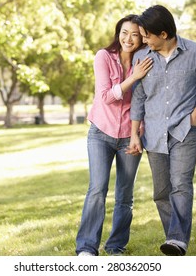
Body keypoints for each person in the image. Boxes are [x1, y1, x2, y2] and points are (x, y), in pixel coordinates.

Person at [127, 5, 196, 256]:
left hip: (183, 132)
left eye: (146, 36)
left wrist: (195, 117)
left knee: (180, 184)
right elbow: (139, 97)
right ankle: (174, 238)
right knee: (162, 192)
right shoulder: (142, 58)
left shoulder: (195, 52)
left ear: (163, 34)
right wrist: (135, 134)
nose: (143, 40)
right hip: (154, 133)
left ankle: (177, 240)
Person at [75, 14, 153, 256]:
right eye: (124, 32)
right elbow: (106, 96)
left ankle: (116, 245)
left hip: (130, 135)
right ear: (118, 33)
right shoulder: (104, 57)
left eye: (135, 34)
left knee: (125, 195)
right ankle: (87, 247)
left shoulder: (147, 60)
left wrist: (139, 133)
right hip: (101, 133)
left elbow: (150, 101)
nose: (128, 38)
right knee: (97, 189)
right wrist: (134, 77)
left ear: (142, 38)